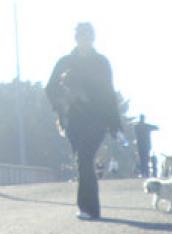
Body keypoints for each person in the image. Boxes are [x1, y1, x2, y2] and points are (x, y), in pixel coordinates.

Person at [46, 22, 122, 220]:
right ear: (76, 38)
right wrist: (61, 103)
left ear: (93, 38)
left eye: (88, 35)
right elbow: (50, 89)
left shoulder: (101, 62)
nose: (85, 39)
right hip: (74, 119)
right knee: (82, 161)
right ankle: (89, 208)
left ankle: (88, 208)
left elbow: (108, 92)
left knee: (85, 158)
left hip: (97, 118)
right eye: (81, 35)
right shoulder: (65, 61)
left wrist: (115, 124)